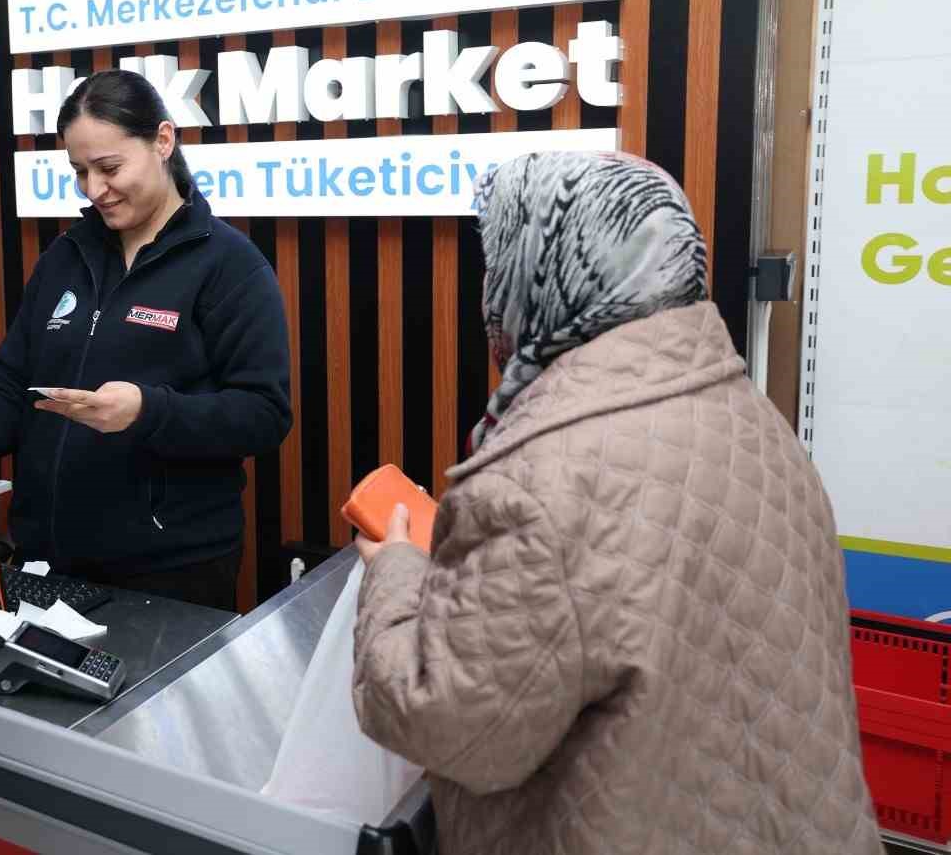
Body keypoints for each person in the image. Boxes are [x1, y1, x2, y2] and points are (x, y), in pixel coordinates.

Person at [351, 151, 879, 855]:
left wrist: (396, 572)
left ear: (544, 270)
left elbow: (448, 724)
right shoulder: (747, 415)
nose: (489, 291)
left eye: (500, 259)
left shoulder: (538, 482)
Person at [0, 69, 291, 610]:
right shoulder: (65, 257)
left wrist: (147, 411)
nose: (93, 189)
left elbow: (263, 414)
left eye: (109, 168)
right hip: (49, 559)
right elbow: (13, 387)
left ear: (163, 141)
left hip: (170, 569)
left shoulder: (229, 266)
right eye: (79, 171)